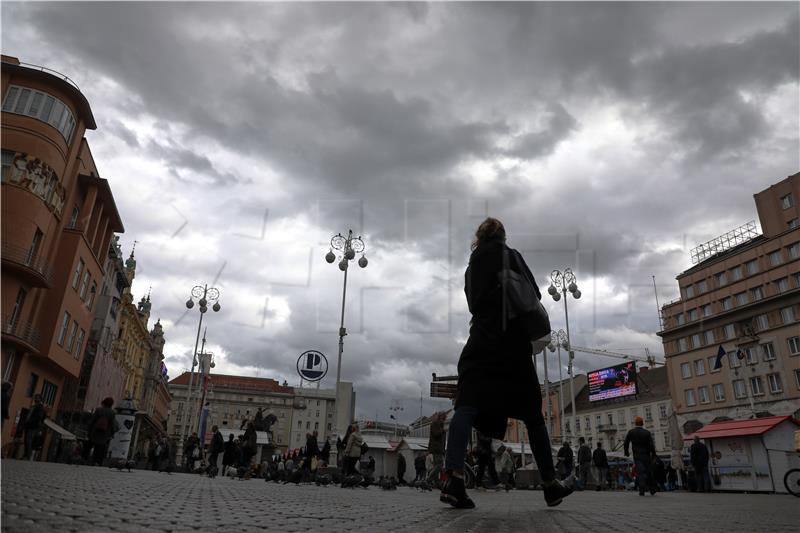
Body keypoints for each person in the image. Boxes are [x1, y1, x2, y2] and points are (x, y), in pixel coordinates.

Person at [439, 218, 572, 509]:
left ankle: (454, 479)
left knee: (466, 406)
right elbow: (533, 295)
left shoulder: (471, 267)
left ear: (479, 237)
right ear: (503, 235)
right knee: (533, 416)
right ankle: (550, 484)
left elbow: (473, 304)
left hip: (482, 340)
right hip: (512, 344)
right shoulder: (511, 255)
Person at [624, 416, 656, 496]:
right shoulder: (647, 433)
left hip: (637, 455)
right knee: (649, 472)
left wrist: (626, 452)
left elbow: (626, 442)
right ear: (642, 423)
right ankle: (652, 489)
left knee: (640, 473)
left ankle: (642, 490)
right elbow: (651, 445)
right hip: (646, 455)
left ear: (635, 423)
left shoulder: (631, 432)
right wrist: (654, 454)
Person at [84, 397, 119, 466]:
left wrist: (89, 431)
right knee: (100, 449)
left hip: (94, 432)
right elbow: (112, 425)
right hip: (104, 434)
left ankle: (84, 459)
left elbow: (92, 421)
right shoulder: (112, 413)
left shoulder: (98, 410)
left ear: (104, 402)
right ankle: (97, 462)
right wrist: (112, 434)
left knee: (89, 446)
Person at [22, 394, 46, 460]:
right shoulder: (33, 406)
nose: (35, 399)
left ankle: (28, 455)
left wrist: (33, 421)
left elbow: (40, 417)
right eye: (35, 398)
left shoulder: (41, 407)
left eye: (37, 398)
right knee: (26, 440)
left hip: (33, 425)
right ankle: (25, 454)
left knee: (28, 440)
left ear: (40, 399)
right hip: (28, 425)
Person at [427, 412, 446, 483]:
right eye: (444, 417)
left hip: (438, 448)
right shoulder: (436, 423)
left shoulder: (440, 424)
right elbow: (436, 434)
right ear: (440, 417)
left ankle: (436, 483)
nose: (444, 419)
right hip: (436, 448)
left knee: (437, 465)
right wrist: (442, 430)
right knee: (439, 465)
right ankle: (428, 480)